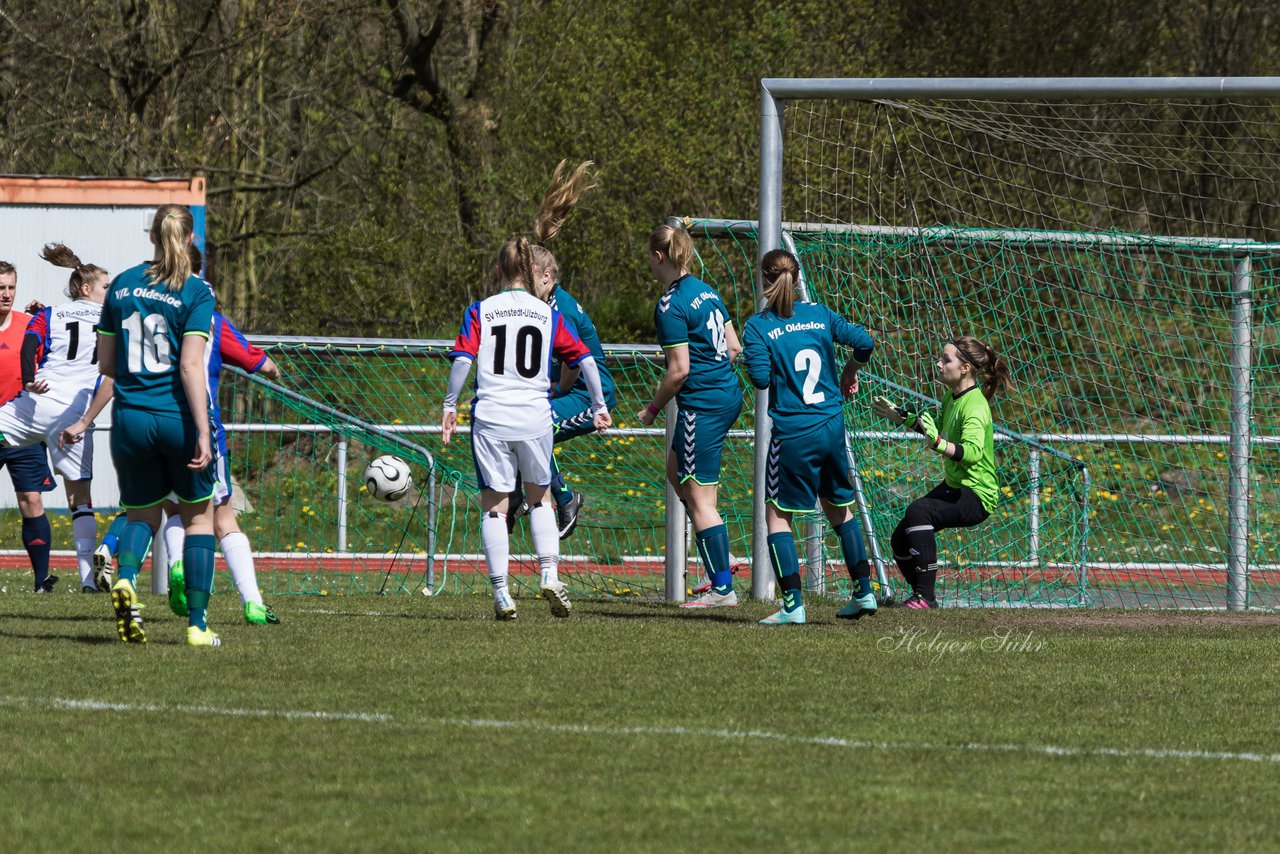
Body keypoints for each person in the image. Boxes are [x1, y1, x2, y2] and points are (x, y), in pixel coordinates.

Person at [442, 236, 611, 620]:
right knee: (541, 500)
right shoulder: (546, 313)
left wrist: (450, 405)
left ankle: (502, 593)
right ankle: (549, 572)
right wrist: (599, 405)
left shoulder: (481, 310)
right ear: (530, 272)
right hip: (535, 414)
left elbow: (463, 362)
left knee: (495, 509)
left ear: (499, 271)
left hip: (493, 417)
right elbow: (585, 361)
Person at [92, 203, 220, 645]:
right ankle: (198, 626)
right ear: (190, 240)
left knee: (142, 514)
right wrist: (203, 431)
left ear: (151, 237)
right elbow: (190, 367)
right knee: (200, 519)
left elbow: (107, 364)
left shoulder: (122, 284)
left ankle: (126, 578)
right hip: (176, 419)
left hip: (129, 417)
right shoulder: (197, 292)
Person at [741, 248, 875, 624]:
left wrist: (753, 356)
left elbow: (762, 379)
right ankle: (864, 592)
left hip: (793, 431)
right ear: (797, 278)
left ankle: (792, 606)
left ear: (765, 280)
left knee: (777, 514)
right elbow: (864, 343)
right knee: (838, 508)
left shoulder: (758, 326)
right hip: (832, 426)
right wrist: (848, 373)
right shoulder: (818, 314)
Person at [155, 243, 282, 626]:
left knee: (174, 510)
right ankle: (254, 602)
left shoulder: (150, 311)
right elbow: (257, 361)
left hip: (153, 423)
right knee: (223, 518)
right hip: (200, 426)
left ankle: (177, 564)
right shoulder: (208, 315)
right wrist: (275, 370)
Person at [635, 224, 743, 608]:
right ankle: (722, 553)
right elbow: (734, 347)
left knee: (699, 499)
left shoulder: (670, 305)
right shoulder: (708, 291)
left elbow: (678, 371)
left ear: (658, 256)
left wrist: (651, 410)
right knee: (676, 468)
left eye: (648, 257)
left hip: (705, 404)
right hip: (727, 394)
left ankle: (722, 588)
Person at [0, 245, 113, 593]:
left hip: (38, 403)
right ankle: (88, 582)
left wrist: (27, 376)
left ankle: (60, 579)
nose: (109, 293)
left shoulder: (51, 313)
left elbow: (28, 342)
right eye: (105, 287)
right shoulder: (112, 320)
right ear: (86, 288)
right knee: (80, 498)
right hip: (77, 412)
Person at [871, 336, 1012, 608]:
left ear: (965, 368)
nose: (938, 363)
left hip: (977, 495)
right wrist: (904, 418)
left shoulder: (975, 406)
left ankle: (925, 598)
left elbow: (971, 453)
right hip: (956, 485)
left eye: (945, 359)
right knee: (900, 539)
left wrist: (938, 444)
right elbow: (934, 428)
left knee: (918, 512)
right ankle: (921, 597)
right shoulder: (951, 396)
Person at [527, 159, 615, 539]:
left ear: (547, 277)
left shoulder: (558, 310)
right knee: (522, 423)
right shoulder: (544, 303)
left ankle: (565, 498)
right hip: (571, 388)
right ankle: (529, 497)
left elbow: (576, 365)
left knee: (532, 427)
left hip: (588, 394)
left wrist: (557, 391)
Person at [0, 260, 59, 592]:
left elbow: (58, 350)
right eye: (0, 288)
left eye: (10, 287)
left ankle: (41, 582)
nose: (6, 294)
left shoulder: (28, 324)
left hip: (22, 429)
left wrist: (44, 314)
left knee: (32, 500)